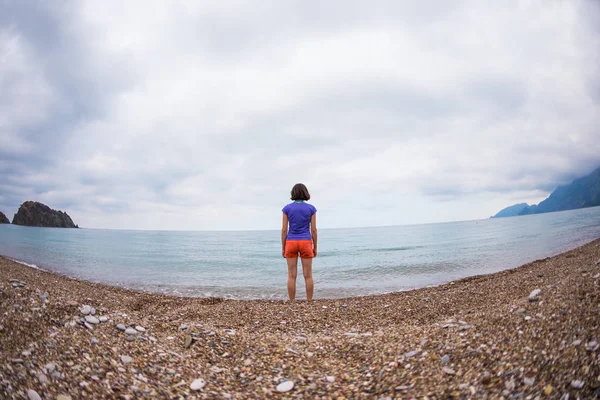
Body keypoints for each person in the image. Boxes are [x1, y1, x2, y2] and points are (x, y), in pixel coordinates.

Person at [281, 183, 317, 301]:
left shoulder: (287, 208)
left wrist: (283, 247)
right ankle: (309, 301)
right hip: (305, 241)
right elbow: (313, 230)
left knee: (291, 275)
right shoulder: (311, 209)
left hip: (291, 242)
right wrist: (315, 246)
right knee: (308, 275)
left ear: (293, 193)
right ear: (305, 193)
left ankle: (292, 301)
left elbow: (284, 230)